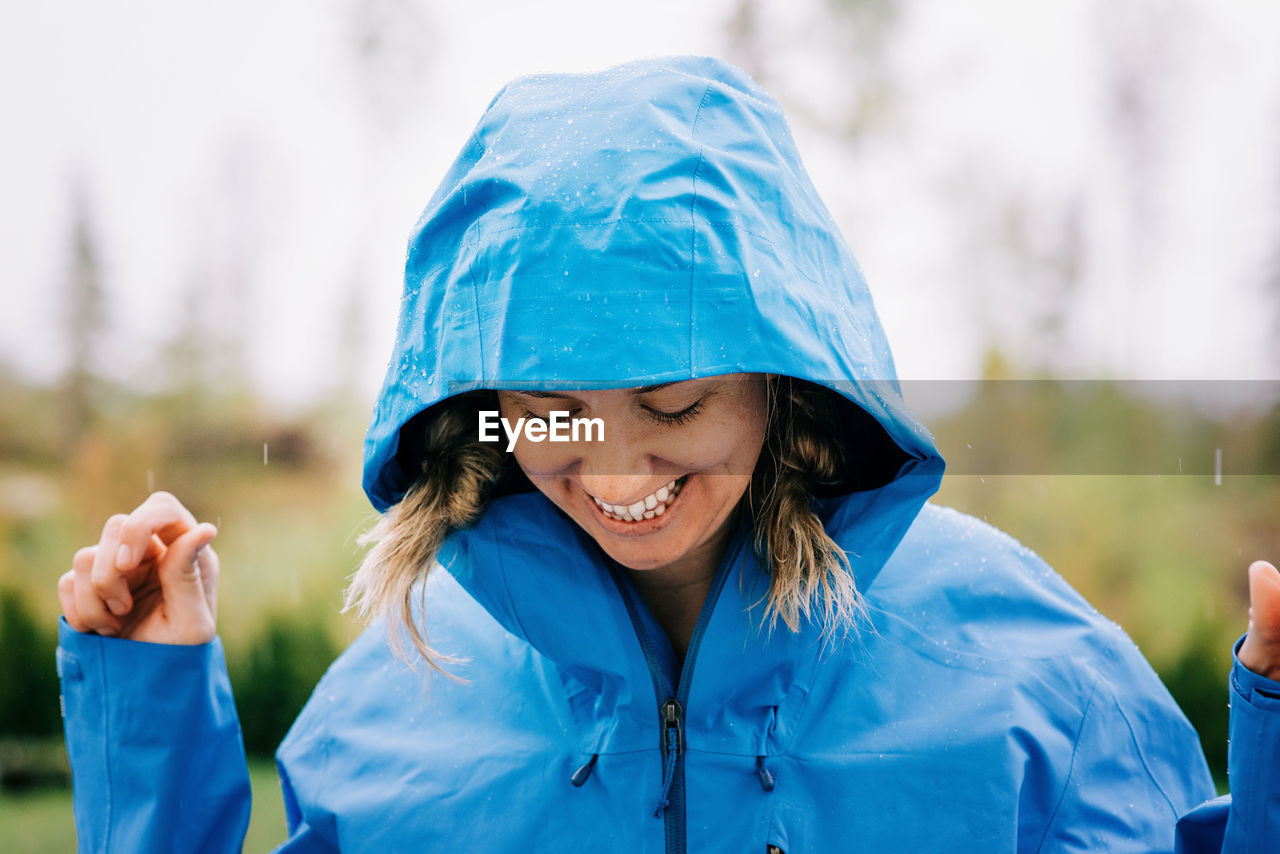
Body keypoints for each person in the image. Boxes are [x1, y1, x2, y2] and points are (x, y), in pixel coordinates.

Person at [55, 56, 1279, 853]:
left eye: (675, 400)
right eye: (550, 410)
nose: (617, 464)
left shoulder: (1031, 673)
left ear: (784, 384)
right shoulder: (392, 704)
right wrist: (152, 707)